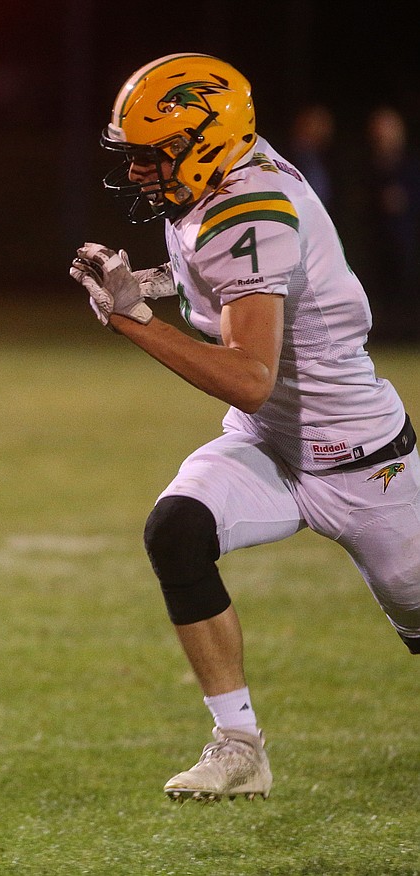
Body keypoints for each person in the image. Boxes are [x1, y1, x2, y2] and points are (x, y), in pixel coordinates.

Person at [69, 53, 420, 802]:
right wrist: (150, 285)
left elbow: (250, 377)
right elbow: (225, 283)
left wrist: (133, 319)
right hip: (271, 442)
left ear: (206, 140)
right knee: (176, 532)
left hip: (360, 458)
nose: (138, 171)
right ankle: (239, 746)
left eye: (154, 153)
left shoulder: (251, 206)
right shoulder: (222, 183)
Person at [356, 105, 420, 343]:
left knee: (405, 291)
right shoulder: (367, 167)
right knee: (377, 293)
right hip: (376, 242)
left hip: (406, 241)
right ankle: (382, 337)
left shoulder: (411, 165)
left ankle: (408, 337)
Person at [285, 103, 335, 208]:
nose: (322, 129)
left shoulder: (330, 160)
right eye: (316, 123)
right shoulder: (281, 154)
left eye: (324, 124)